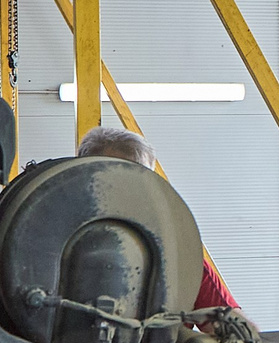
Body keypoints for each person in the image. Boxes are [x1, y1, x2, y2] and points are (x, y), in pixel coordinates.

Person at [76, 125, 240, 311]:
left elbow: (232, 325)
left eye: (142, 180)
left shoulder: (176, 252)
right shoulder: (51, 242)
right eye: (120, 178)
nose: (132, 190)